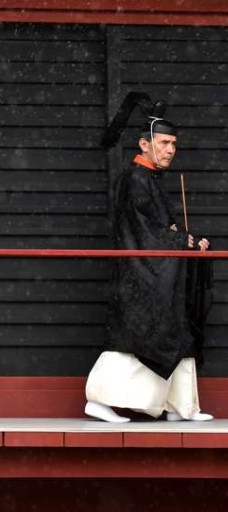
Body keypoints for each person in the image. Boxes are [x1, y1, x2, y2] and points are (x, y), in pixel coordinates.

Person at [85, 93, 213, 423]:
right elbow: (142, 230)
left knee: (177, 331)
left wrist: (188, 241)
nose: (171, 150)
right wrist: (179, 241)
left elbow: (162, 228)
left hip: (155, 271)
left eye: (174, 144)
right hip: (139, 274)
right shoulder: (135, 180)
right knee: (138, 338)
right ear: (145, 144)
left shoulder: (149, 179)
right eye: (165, 142)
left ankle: (180, 406)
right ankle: (98, 400)